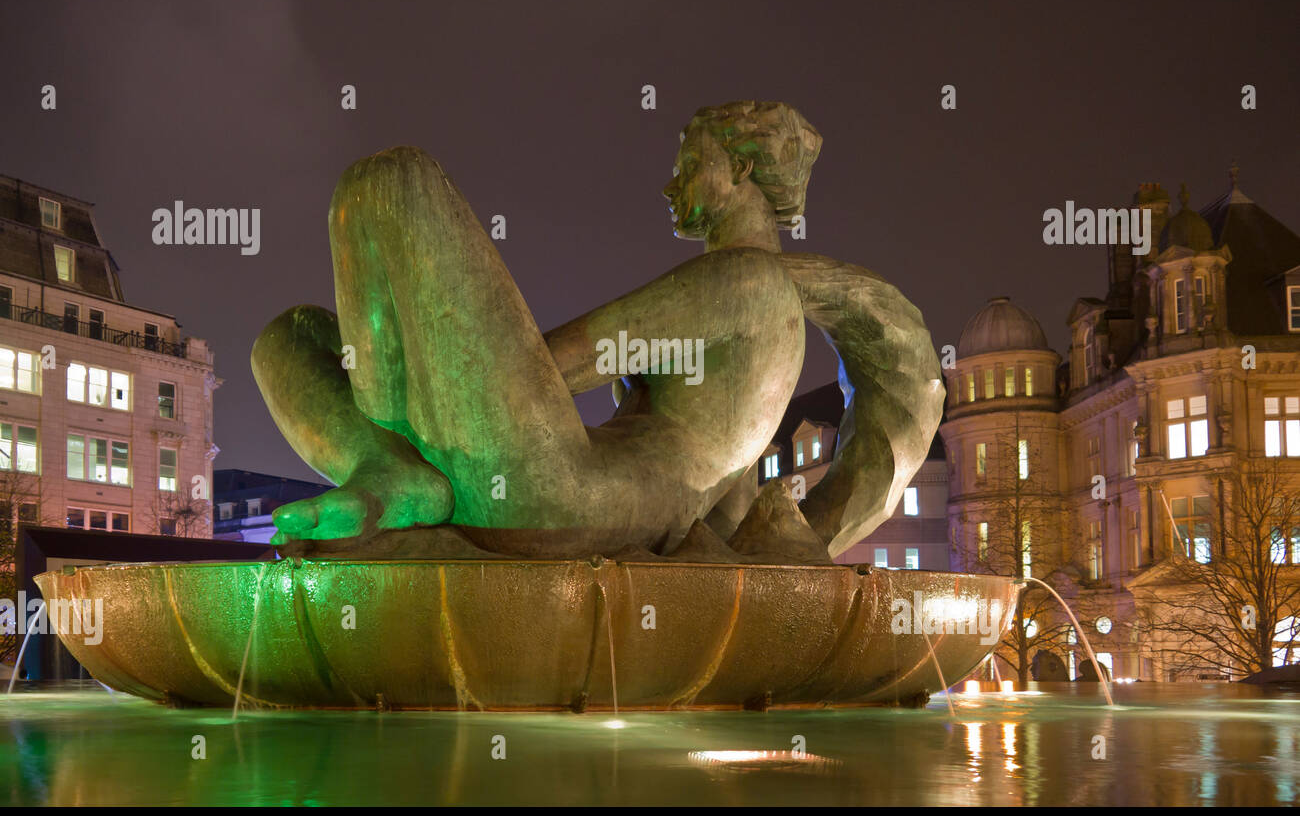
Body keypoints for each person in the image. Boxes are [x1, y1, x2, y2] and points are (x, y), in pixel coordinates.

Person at [252, 101, 941, 559]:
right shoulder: (761, 319)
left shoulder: (747, 285)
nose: (672, 184)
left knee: (389, 182)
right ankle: (397, 472)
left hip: (563, 492)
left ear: (744, 170)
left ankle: (401, 467)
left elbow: (553, 363)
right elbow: (724, 502)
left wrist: (429, 351)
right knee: (289, 336)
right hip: (563, 484)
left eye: (690, 162)